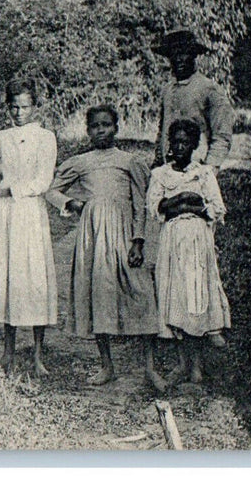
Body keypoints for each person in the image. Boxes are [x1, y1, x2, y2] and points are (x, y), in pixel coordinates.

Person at [45, 105, 163, 389]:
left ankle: (150, 368)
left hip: (124, 236)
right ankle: (107, 365)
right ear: (88, 130)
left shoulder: (129, 161)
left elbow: (140, 204)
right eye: (95, 125)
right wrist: (71, 203)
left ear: (116, 128)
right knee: (98, 296)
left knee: (141, 293)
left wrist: (138, 241)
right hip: (94, 237)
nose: (101, 130)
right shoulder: (80, 162)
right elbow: (51, 190)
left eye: (107, 125)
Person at [0, 79, 58, 376]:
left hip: (29, 211)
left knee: (33, 276)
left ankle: (37, 354)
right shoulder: (3, 136)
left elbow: (43, 180)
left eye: (24, 106)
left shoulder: (46, 137)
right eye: (14, 106)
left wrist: (14, 190)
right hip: (5, 214)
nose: (19, 112)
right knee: (8, 275)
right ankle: (8, 352)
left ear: (34, 106)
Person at [148, 119, 231, 386]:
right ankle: (182, 364)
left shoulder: (204, 174)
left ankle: (196, 367)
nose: (180, 147)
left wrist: (190, 206)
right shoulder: (161, 174)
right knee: (176, 300)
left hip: (197, 245)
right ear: (169, 144)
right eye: (175, 142)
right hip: (172, 245)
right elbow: (156, 208)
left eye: (186, 142)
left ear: (195, 146)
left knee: (195, 300)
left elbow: (217, 208)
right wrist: (183, 200)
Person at [152, 29, 235, 173]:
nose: (178, 59)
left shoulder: (209, 89)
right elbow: (163, 131)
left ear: (193, 55)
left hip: (197, 166)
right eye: (173, 54)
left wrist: (209, 169)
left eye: (183, 53)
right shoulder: (167, 90)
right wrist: (158, 162)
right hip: (169, 168)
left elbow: (222, 135)